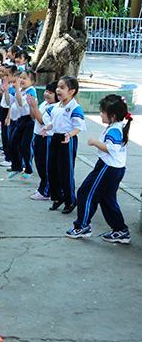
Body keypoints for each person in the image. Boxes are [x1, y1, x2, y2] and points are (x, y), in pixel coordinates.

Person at [66, 95, 132, 243]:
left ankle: (82, 226)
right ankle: (120, 230)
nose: (100, 114)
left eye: (102, 112)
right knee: (107, 199)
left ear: (113, 116)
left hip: (107, 168)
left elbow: (111, 149)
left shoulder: (114, 130)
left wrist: (95, 142)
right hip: (113, 168)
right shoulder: (117, 127)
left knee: (85, 193)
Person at [42, 76, 86, 214]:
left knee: (65, 171)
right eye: (58, 87)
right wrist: (47, 128)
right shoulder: (56, 106)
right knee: (52, 168)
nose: (58, 90)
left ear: (71, 91)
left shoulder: (75, 107)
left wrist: (70, 135)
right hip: (55, 138)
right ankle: (57, 197)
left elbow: (79, 126)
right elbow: (54, 122)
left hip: (67, 139)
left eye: (62, 87)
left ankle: (70, 200)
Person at [28, 81, 58, 200]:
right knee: (39, 164)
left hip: (47, 138)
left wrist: (34, 106)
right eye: (46, 91)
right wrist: (32, 106)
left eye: (51, 93)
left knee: (45, 165)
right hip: (38, 136)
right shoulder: (45, 104)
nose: (47, 94)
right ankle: (44, 188)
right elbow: (34, 117)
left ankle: (46, 191)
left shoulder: (54, 107)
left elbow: (42, 121)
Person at [8, 70, 36, 180]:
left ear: (32, 82)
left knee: (25, 146)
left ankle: (28, 169)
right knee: (13, 143)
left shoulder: (31, 91)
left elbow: (20, 102)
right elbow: (12, 103)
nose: (22, 80)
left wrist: (17, 89)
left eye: (25, 78)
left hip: (29, 120)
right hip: (20, 120)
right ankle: (17, 166)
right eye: (21, 78)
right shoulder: (20, 90)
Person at [0, 65, 18, 168]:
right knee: (5, 134)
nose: (4, 77)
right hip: (5, 109)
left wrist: (8, 116)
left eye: (7, 75)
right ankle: (7, 155)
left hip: (9, 112)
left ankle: (9, 158)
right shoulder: (9, 87)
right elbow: (6, 101)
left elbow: (11, 103)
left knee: (8, 135)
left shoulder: (14, 88)